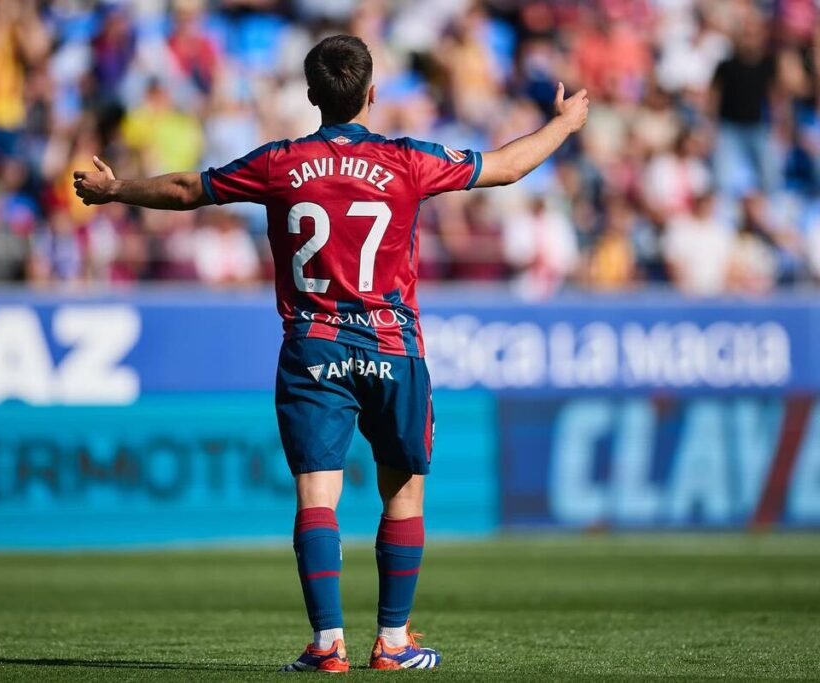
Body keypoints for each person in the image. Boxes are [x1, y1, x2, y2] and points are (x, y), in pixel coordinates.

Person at [73, 35, 588, 672]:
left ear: (313, 96)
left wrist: (115, 189)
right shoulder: (407, 160)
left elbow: (186, 191)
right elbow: (508, 166)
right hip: (392, 346)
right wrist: (564, 124)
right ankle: (393, 643)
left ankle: (327, 645)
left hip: (313, 347)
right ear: (372, 93)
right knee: (403, 496)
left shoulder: (279, 163)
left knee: (318, 498)